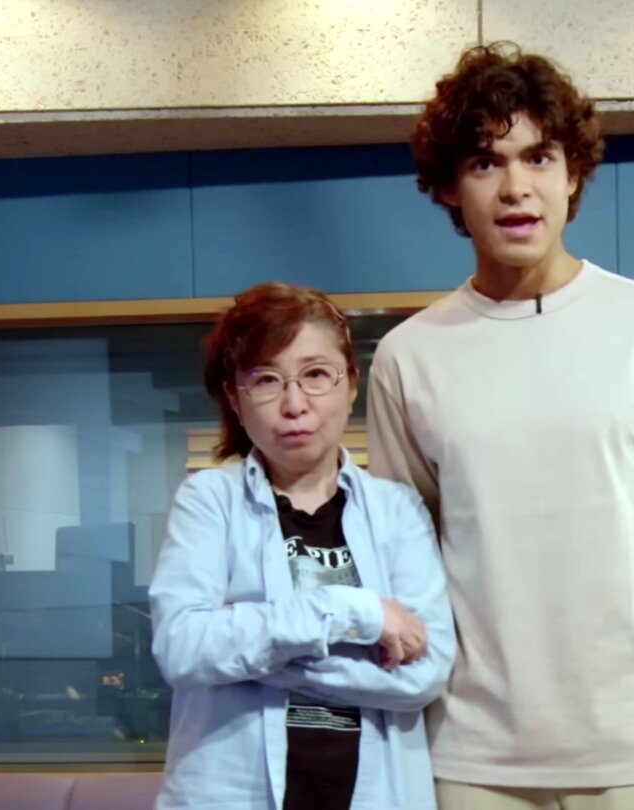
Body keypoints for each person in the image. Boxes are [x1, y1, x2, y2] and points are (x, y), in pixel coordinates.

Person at [367, 43, 634, 809]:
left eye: (539, 157)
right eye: (485, 163)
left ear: (573, 174)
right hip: (473, 753)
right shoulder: (409, 357)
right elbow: (407, 562)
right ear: (449, 188)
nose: (516, 188)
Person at [150, 282, 456, 809]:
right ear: (234, 399)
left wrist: (257, 653)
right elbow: (183, 649)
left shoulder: (397, 510)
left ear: (351, 385)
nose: (294, 405)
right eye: (265, 380)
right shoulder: (209, 500)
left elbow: (424, 674)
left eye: (316, 375)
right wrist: (356, 613)